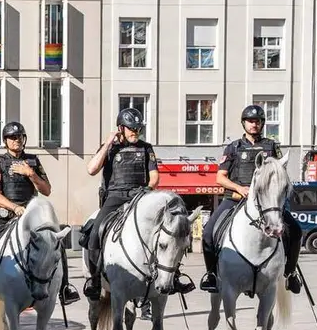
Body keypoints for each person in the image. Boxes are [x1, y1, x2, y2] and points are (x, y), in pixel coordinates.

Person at [83, 109, 195, 300]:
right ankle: (94, 279)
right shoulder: (110, 147)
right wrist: (108, 143)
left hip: (140, 197)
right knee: (94, 233)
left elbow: (155, 177)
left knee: (164, 234)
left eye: (138, 129)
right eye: (131, 129)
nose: (135, 132)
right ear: (121, 128)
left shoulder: (146, 148)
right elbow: (91, 169)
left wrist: (148, 189)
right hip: (115, 197)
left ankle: (173, 277)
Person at [0, 121, 80, 308]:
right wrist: (15, 208)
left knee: (55, 241)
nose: (17, 140)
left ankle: (65, 288)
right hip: (5, 214)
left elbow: (46, 190)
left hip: (32, 214)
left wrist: (31, 174)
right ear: (6, 141)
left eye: (19, 137)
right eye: (12, 137)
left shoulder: (33, 161)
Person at [200, 104, 303, 294]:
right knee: (207, 233)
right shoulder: (233, 148)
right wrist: (239, 188)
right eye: (250, 121)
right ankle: (212, 275)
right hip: (235, 199)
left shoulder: (272, 146)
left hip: (265, 202)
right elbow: (220, 177)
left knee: (295, 230)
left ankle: (290, 273)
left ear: (262, 123)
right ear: (244, 123)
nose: (254, 124)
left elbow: (279, 171)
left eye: (257, 121)